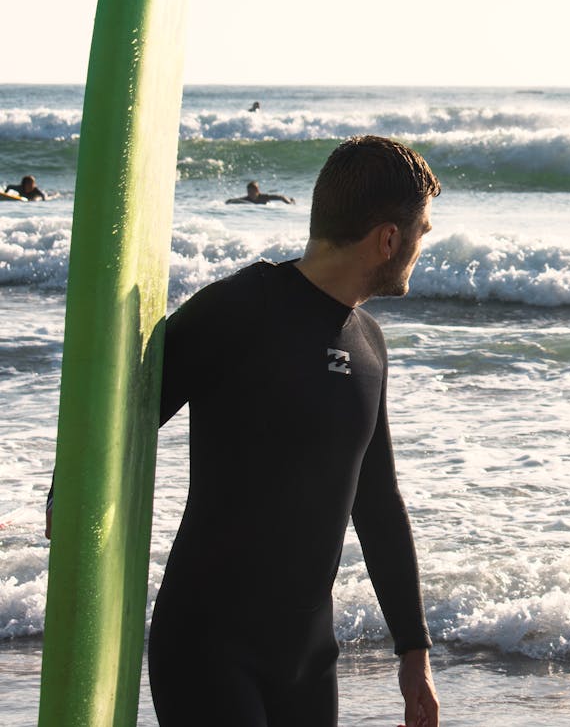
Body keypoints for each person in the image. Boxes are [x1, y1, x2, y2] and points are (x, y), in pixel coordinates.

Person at [147, 136, 440, 727]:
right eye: (421, 231)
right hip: (207, 649)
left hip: (308, 663)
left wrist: (414, 650)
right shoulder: (238, 310)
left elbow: (378, 501)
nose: (420, 245)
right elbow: (126, 416)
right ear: (388, 238)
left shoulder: (370, 345)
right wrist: (64, 490)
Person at [226, 180, 295, 205]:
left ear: (257, 191)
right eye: (248, 191)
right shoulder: (247, 199)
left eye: (251, 191)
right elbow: (231, 201)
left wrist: (289, 202)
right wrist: (229, 201)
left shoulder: (264, 197)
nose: (249, 193)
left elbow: (281, 197)